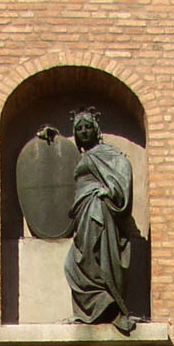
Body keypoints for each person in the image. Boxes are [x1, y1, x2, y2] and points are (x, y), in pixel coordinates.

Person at [64, 109, 136, 334]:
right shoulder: (85, 156)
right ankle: (96, 306)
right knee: (76, 262)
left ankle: (108, 303)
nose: (84, 132)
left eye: (88, 127)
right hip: (83, 213)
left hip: (99, 210)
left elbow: (123, 167)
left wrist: (110, 190)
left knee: (98, 253)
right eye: (79, 129)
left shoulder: (106, 153)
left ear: (96, 130)